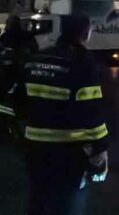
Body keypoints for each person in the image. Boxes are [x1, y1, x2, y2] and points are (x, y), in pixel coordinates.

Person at [15, 14, 109, 215]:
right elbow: (91, 110)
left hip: (35, 149)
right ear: (86, 33)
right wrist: (100, 149)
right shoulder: (83, 63)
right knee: (68, 203)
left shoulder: (37, 59)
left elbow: (19, 102)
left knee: (38, 200)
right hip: (70, 152)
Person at [0, 15, 38, 135]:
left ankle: (8, 123)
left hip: (8, 72)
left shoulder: (6, 37)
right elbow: (35, 51)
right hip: (25, 72)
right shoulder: (27, 36)